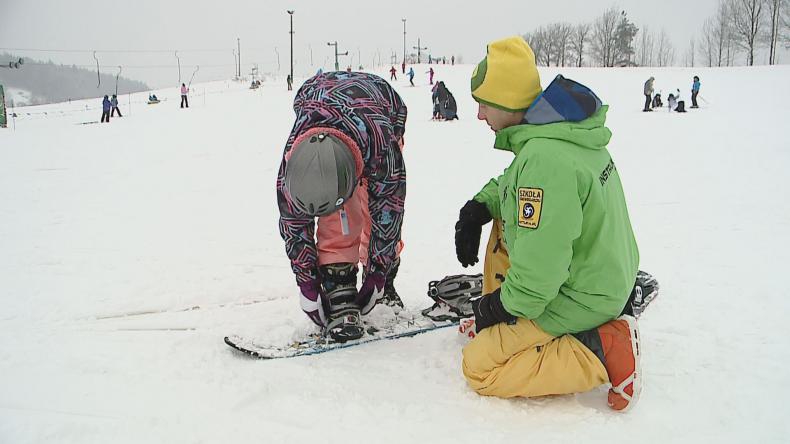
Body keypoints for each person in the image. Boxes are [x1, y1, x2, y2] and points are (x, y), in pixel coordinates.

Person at [455, 36, 641, 412]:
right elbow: (512, 188)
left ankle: (602, 348)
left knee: (479, 366)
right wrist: (478, 207)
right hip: (604, 276)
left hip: (582, 296)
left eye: (483, 104)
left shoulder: (543, 161)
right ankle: (516, 329)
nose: (479, 116)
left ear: (506, 100)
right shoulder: (558, 132)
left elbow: (537, 280)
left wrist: (494, 310)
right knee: (505, 223)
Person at [277, 71, 408, 343]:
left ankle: (387, 283)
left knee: (374, 209)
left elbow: (390, 209)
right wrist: (307, 282)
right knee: (339, 210)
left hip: (382, 112)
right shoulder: (294, 162)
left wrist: (379, 273)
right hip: (322, 104)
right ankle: (339, 279)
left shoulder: (383, 147)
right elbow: (293, 222)